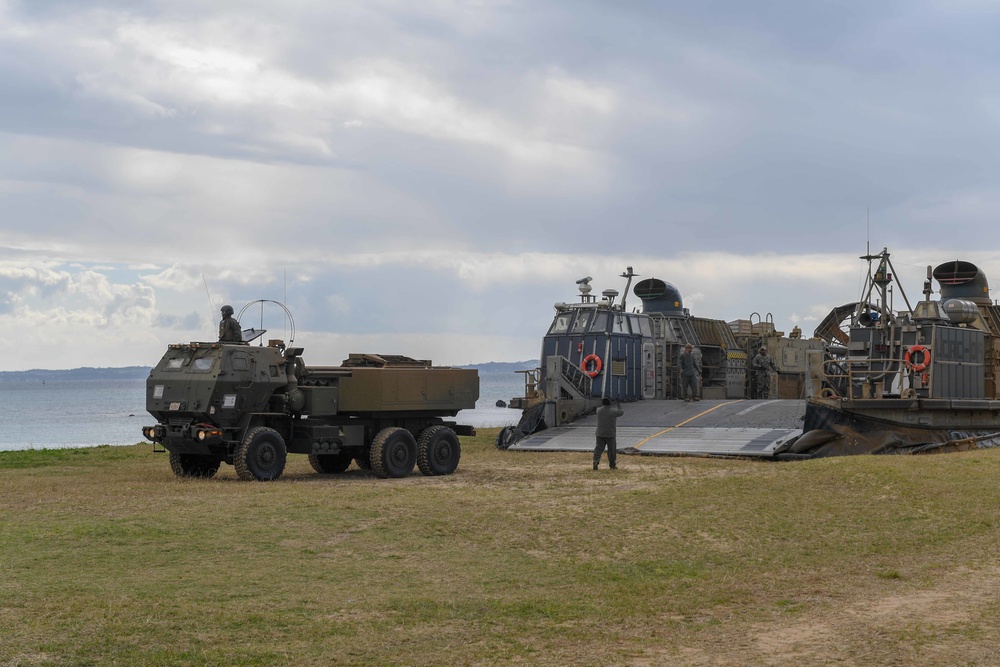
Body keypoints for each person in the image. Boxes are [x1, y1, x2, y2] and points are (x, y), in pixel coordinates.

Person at [593, 397, 624, 470]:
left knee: (598, 448)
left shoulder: (599, 410)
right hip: (610, 434)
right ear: (610, 403)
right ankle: (612, 465)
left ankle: (595, 461)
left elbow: (597, 410)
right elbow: (621, 412)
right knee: (611, 450)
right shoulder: (613, 411)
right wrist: (618, 405)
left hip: (600, 433)